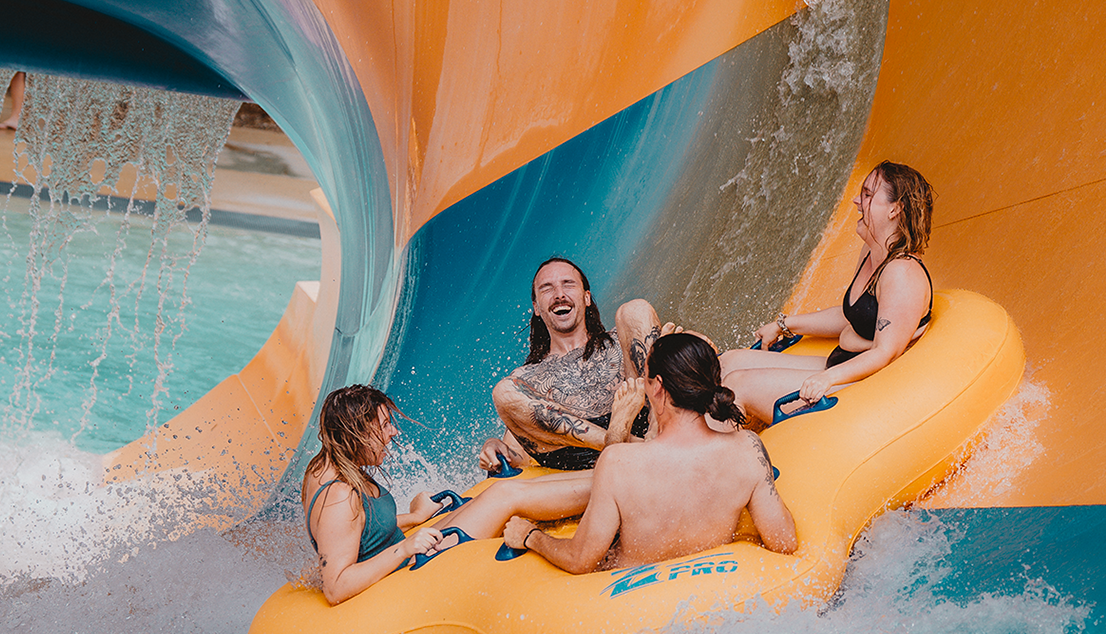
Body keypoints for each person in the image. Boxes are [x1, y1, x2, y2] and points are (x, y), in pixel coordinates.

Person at [500, 333, 798, 572]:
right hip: (717, 588)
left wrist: (531, 536)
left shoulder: (618, 462)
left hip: (634, 604)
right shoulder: (747, 447)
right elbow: (784, 541)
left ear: (657, 388)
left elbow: (580, 559)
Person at [719, 162, 935, 427]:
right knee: (727, 364)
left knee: (735, 387)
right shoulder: (871, 253)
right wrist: (784, 324)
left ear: (895, 208)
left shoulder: (902, 274)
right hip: (837, 364)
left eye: (867, 195)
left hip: (858, 387)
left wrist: (827, 379)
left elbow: (885, 352)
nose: (857, 200)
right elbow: (851, 316)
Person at [477, 257, 671, 472]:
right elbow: (519, 452)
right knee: (503, 391)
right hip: (586, 462)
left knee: (635, 309)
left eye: (568, 284)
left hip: (648, 427)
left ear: (586, 298)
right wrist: (493, 444)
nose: (559, 294)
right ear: (537, 308)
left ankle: (657, 430)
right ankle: (614, 441)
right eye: (547, 288)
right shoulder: (528, 378)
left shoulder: (622, 341)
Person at [302, 385, 453, 604]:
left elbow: (358, 530)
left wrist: (416, 517)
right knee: (501, 496)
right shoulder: (339, 496)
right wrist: (403, 549)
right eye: (384, 425)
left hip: (398, 564)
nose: (393, 432)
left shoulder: (322, 466)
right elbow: (335, 587)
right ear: (356, 435)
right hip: (392, 588)